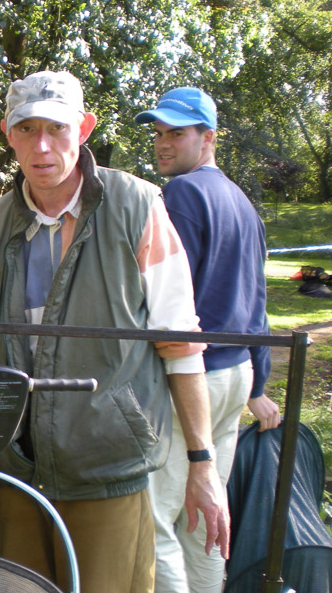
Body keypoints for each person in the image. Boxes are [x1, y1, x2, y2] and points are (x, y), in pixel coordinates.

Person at [0, 71, 230, 593]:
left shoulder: (138, 206)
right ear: (8, 134)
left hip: (110, 468)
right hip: (17, 473)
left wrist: (203, 465)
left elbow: (180, 341)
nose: (42, 147)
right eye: (27, 130)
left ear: (84, 127)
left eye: (57, 128)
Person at [135, 87, 280, 593]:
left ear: (208, 137)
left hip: (190, 381)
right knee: (204, 519)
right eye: (158, 133)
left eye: (176, 132)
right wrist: (258, 382)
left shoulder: (181, 194)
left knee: (156, 520)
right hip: (235, 377)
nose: (163, 144)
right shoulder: (242, 201)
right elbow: (258, 303)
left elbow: (164, 299)